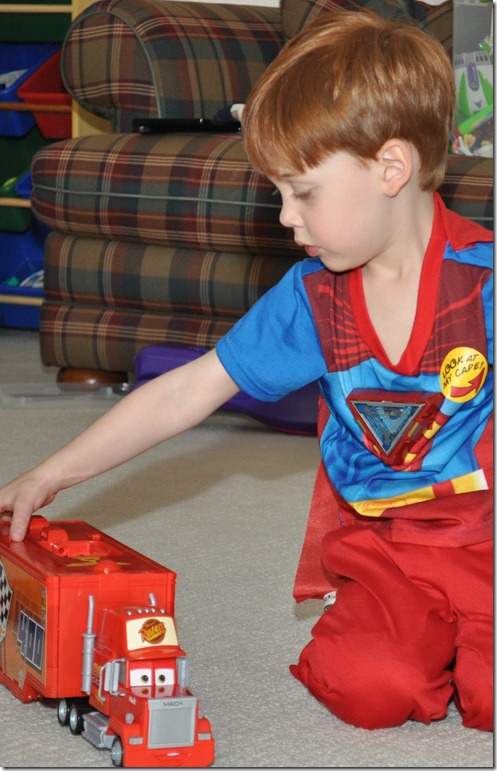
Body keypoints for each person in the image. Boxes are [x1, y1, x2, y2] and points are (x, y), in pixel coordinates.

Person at [0, 9, 492, 732]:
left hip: (486, 541)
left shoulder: (483, 283)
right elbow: (186, 392)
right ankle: (409, 634)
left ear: (392, 168)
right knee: (368, 689)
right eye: (279, 195)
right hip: (387, 551)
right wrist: (50, 474)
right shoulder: (313, 298)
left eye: (304, 192)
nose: (287, 218)